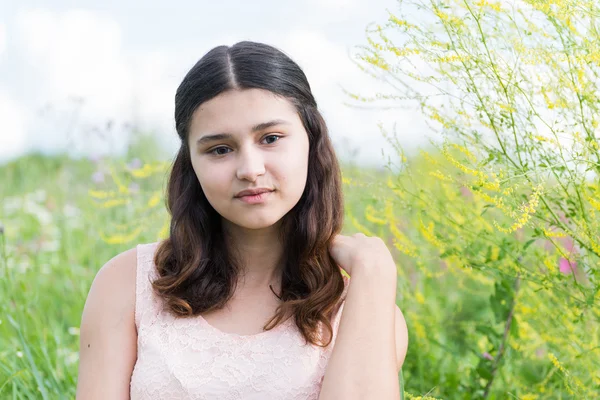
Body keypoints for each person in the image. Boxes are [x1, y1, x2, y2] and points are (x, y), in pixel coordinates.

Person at [76, 41, 408, 400]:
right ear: (191, 163)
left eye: (271, 138)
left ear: (312, 143)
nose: (250, 169)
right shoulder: (127, 284)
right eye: (220, 149)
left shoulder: (365, 305)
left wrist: (374, 272)